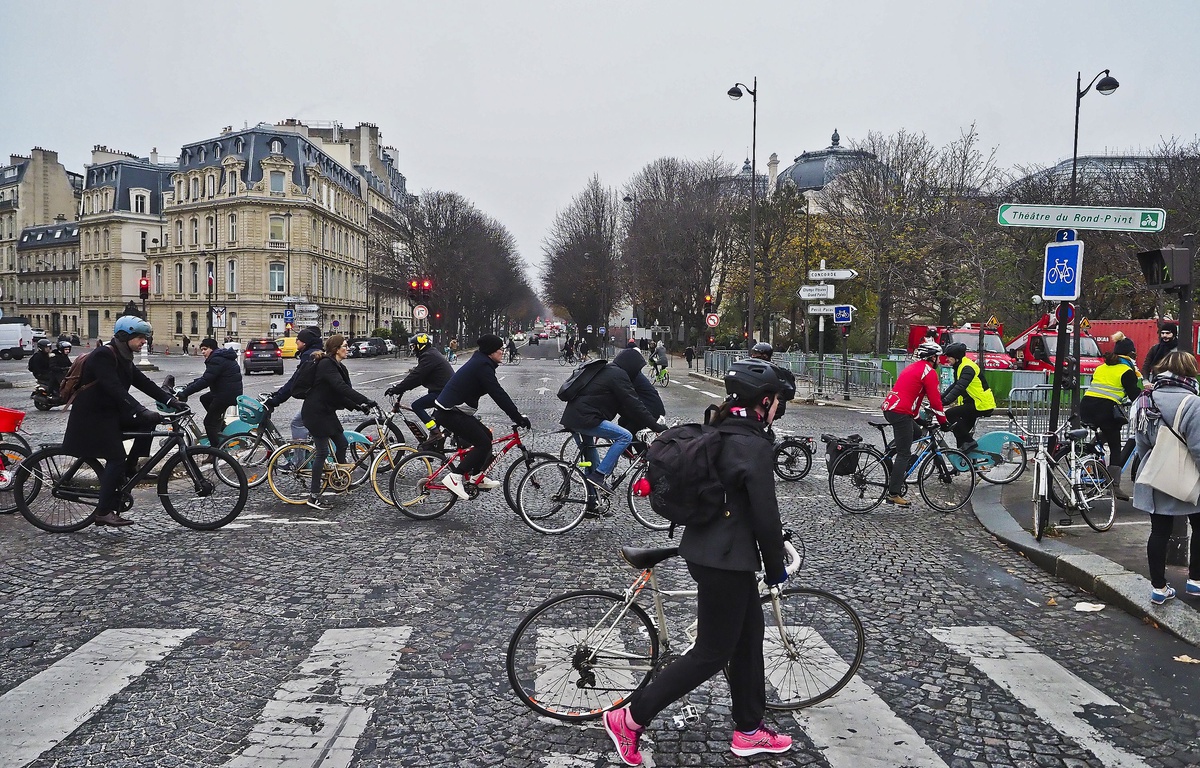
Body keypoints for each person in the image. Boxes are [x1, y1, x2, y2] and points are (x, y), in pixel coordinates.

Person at [603, 358, 795, 766]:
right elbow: (765, 514)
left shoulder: (721, 430)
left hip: (713, 553)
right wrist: (776, 567)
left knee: (748, 641)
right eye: (777, 400)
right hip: (724, 561)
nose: (779, 406)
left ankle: (748, 730)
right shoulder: (755, 445)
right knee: (711, 652)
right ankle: (629, 718)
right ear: (765, 401)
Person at [60, 316, 179, 527]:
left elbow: (144, 382)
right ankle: (103, 512)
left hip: (110, 413)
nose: (145, 342)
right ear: (125, 336)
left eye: (146, 338)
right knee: (116, 458)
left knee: (148, 422)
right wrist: (139, 408)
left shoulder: (124, 356)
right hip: (92, 416)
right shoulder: (103, 355)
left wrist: (171, 400)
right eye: (141, 337)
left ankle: (131, 468)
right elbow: (112, 387)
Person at [1132, 350, 1200, 605]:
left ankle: (1159, 587)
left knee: (1159, 531)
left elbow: (1140, 442)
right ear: (1189, 372)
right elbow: (1198, 448)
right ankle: (1195, 580)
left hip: (1156, 474)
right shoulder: (1193, 403)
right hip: (1190, 475)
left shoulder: (1145, 399)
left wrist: (1154, 462)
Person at [432, 334, 531, 499]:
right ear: (491, 351)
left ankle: (477, 476)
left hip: (454, 411)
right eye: (500, 349)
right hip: (450, 412)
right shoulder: (482, 366)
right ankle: (455, 476)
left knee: (487, 435)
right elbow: (498, 394)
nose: (503, 352)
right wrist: (517, 417)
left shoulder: (482, 363)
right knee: (483, 444)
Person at [561, 344, 667, 496]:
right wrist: (655, 426)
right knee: (625, 436)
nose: (637, 374)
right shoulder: (619, 375)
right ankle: (599, 475)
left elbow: (623, 407)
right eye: (636, 369)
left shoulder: (608, 371)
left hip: (576, 417)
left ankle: (592, 504)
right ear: (630, 366)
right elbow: (634, 404)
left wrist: (641, 420)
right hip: (586, 419)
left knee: (592, 462)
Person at [301, 335, 376, 510]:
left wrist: (360, 406)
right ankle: (313, 496)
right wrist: (365, 399)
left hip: (326, 412)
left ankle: (340, 481)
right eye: (344, 346)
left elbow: (339, 395)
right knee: (322, 452)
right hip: (316, 413)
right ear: (336, 349)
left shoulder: (337, 365)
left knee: (342, 443)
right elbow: (342, 388)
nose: (347, 348)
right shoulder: (327, 364)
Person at [880, 341, 950, 507]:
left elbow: (912, 396)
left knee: (917, 433)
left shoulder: (913, 367)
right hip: (900, 412)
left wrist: (918, 419)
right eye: (938, 358)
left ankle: (889, 455)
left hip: (892, 408)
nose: (939, 361)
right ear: (932, 357)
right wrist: (944, 422)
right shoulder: (929, 372)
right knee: (904, 453)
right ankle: (893, 493)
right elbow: (935, 402)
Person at [1081, 334, 1142, 500]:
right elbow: (1135, 395)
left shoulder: (1101, 367)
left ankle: (1091, 449)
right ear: (1129, 355)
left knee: (1106, 432)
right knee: (1115, 447)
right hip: (1105, 410)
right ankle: (1114, 486)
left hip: (1086, 407)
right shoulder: (1126, 371)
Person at [385, 333, 453, 450]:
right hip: (445, 391)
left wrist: (397, 389)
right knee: (434, 417)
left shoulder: (428, 356)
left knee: (417, 406)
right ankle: (434, 447)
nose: (413, 348)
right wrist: (403, 387)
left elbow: (417, 376)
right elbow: (420, 377)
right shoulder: (431, 353)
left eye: (414, 346)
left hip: (443, 393)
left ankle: (435, 433)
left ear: (420, 345)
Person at [176, 338, 243, 447]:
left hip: (224, 395)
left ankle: (215, 452)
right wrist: (188, 386)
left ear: (212, 349)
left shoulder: (216, 359)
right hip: (227, 392)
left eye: (205, 349)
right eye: (202, 349)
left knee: (209, 423)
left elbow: (206, 381)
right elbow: (208, 377)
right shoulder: (221, 356)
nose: (202, 352)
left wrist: (185, 393)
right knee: (204, 398)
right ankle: (220, 424)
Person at [264, 326, 323, 440]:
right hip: (320, 397)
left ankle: (300, 458)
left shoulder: (309, 355)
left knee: (297, 424)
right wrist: (278, 393)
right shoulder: (315, 352)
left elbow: (296, 380)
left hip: (317, 400)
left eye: (298, 339)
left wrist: (277, 399)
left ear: (305, 343)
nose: (296, 341)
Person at [939, 342, 996, 453]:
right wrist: (940, 398)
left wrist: (945, 401)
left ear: (956, 357)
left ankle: (970, 442)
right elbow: (955, 385)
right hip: (972, 403)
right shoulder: (960, 366)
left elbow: (960, 387)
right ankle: (963, 462)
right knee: (959, 433)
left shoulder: (968, 368)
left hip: (981, 404)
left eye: (949, 357)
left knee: (950, 414)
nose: (947, 359)